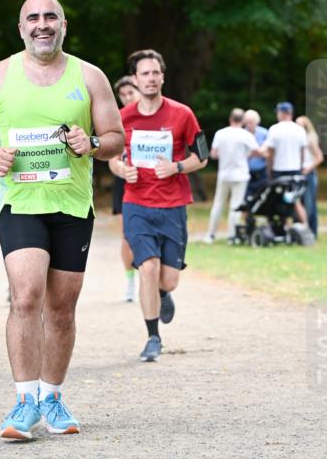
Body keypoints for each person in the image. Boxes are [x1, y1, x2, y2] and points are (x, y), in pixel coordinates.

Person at [0, 0, 124, 440]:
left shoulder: (90, 76)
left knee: (61, 309)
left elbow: (116, 137)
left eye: (51, 17)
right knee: (26, 297)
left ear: (64, 25)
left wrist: (92, 143)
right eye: (33, 17)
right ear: (21, 28)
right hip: (21, 204)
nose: (42, 24)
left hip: (72, 206)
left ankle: (52, 397)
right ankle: (24, 403)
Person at [109, 49, 208, 362]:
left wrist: (177, 167)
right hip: (136, 203)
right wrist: (121, 169)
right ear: (135, 79)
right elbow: (112, 158)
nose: (150, 78)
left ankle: (163, 294)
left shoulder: (183, 114)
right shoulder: (122, 118)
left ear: (162, 77)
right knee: (147, 268)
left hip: (173, 205)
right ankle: (153, 337)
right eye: (144, 74)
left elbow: (202, 155)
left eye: (155, 73)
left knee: (168, 280)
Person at [204, 108, 259, 243]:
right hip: (240, 175)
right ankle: (232, 236)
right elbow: (256, 151)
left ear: (230, 118)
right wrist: (246, 155)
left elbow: (213, 154)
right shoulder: (246, 135)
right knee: (235, 205)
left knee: (218, 204)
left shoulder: (220, 133)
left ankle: (210, 234)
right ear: (243, 121)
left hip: (224, 174)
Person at [113, 76, 140, 301]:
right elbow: (112, 158)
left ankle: (153, 280)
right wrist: (121, 169)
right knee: (127, 235)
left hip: (153, 180)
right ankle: (130, 282)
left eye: (131, 93)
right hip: (125, 181)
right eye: (122, 95)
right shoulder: (117, 119)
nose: (127, 98)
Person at [263, 102, 308, 226]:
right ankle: (305, 226)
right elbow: (302, 153)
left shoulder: (274, 129)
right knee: (296, 200)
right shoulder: (300, 130)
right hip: (295, 170)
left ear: (282, 113)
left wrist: (269, 171)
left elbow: (270, 153)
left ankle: (282, 227)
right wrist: (301, 169)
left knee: (277, 200)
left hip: (279, 170)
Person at [295, 115, 324, 238]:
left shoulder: (310, 140)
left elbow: (319, 157)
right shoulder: (297, 140)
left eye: (300, 125)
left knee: (309, 203)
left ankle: (312, 232)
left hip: (308, 174)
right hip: (299, 173)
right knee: (298, 203)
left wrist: (308, 168)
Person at [243, 109, 268, 200]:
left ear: (257, 122)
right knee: (245, 198)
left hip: (262, 172)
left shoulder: (264, 133)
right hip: (245, 171)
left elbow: (267, 153)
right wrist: (259, 152)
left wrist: (250, 153)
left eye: (251, 122)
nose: (248, 125)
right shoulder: (242, 133)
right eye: (247, 122)